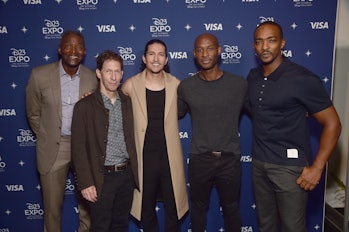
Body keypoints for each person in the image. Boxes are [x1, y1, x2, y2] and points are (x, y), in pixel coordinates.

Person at [247, 21, 341, 232]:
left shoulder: (302, 79)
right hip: (260, 165)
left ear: (282, 43)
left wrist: (317, 168)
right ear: (254, 46)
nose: (265, 47)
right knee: (266, 226)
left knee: (293, 228)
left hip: (290, 170)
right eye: (259, 42)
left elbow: (333, 124)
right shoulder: (253, 77)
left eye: (271, 41)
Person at [26, 30, 97, 232]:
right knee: (52, 210)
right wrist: (48, 136)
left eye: (78, 47)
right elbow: (33, 113)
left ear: (84, 51)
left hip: (84, 147)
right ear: (59, 49)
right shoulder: (39, 75)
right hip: (53, 149)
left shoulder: (93, 78)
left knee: (88, 208)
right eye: (68, 46)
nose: (73, 51)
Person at [177, 33, 248, 232]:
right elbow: (171, 113)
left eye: (209, 48)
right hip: (200, 159)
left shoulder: (239, 84)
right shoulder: (186, 87)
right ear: (194, 54)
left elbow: (261, 110)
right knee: (198, 210)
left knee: (231, 209)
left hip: (229, 159)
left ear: (219, 50)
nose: (204, 54)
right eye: (199, 49)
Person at [122, 39, 189, 232]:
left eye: (161, 54)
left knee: (173, 207)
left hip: (169, 157)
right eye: (151, 54)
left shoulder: (176, 85)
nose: (156, 58)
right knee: (146, 209)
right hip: (144, 158)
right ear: (144, 58)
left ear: (166, 59)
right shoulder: (131, 85)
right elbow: (110, 100)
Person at [71, 50, 139, 232]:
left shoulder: (128, 103)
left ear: (122, 74)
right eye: (108, 71)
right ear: (99, 73)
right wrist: (85, 182)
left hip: (126, 176)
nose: (113, 76)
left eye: (117, 71)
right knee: (100, 227)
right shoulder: (84, 106)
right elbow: (78, 149)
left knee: (120, 226)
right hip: (101, 177)